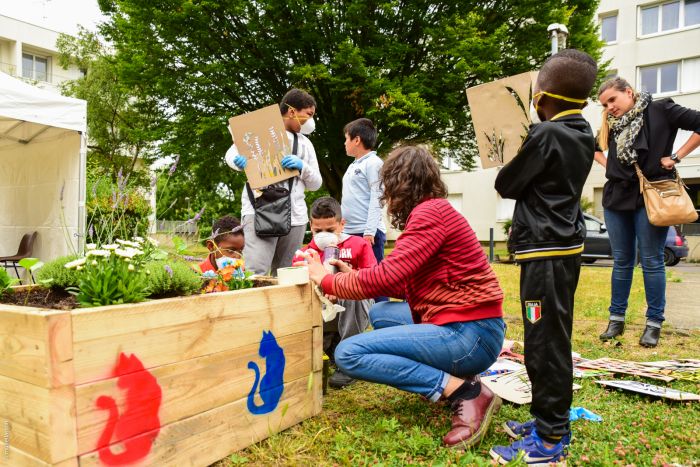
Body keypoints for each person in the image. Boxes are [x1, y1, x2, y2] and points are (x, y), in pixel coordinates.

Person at [305, 146, 505, 449]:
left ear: (400, 183)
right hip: (473, 326)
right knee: (381, 313)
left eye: (388, 186)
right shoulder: (434, 210)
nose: (386, 196)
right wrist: (347, 274)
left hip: (470, 335)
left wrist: (327, 279)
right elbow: (404, 284)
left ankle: (465, 392)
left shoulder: (430, 214)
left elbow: (386, 277)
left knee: (348, 353)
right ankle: (458, 375)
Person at [491, 49, 598, 465]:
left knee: (543, 342)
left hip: (545, 252)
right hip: (561, 249)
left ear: (542, 96)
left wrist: (509, 149)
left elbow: (507, 182)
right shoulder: (581, 130)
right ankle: (547, 421)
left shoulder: (547, 134)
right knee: (552, 337)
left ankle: (550, 440)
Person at [596, 77, 700, 348]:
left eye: (612, 100)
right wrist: (610, 166)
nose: (608, 107)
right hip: (616, 196)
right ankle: (616, 320)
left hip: (651, 194)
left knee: (652, 260)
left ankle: (653, 323)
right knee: (621, 261)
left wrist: (676, 156)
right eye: (604, 104)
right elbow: (594, 147)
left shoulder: (661, 109)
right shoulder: (612, 122)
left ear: (628, 92)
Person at [225, 88, 323, 276]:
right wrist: (237, 162)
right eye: (308, 115)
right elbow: (231, 153)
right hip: (260, 212)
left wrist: (303, 167)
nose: (310, 122)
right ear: (292, 111)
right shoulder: (258, 131)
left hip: (296, 217)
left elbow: (316, 183)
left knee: (287, 274)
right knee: (256, 272)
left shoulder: (305, 144)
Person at [294, 196, 376, 388]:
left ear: (342, 225)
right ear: (310, 226)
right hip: (323, 308)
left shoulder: (358, 245)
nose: (323, 234)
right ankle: (328, 343)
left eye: (330, 230)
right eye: (317, 230)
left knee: (352, 292)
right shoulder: (306, 252)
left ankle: (349, 358)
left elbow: (372, 280)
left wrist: (340, 283)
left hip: (353, 307)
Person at [341, 118, 387, 302]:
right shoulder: (353, 165)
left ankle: (383, 320)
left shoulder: (374, 163)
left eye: (346, 139)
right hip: (350, 232)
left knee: (376, 281)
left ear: (357, 140)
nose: (344, 143)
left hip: (368, 233)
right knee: (354, 280)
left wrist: (369, 231)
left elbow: (378, 197)